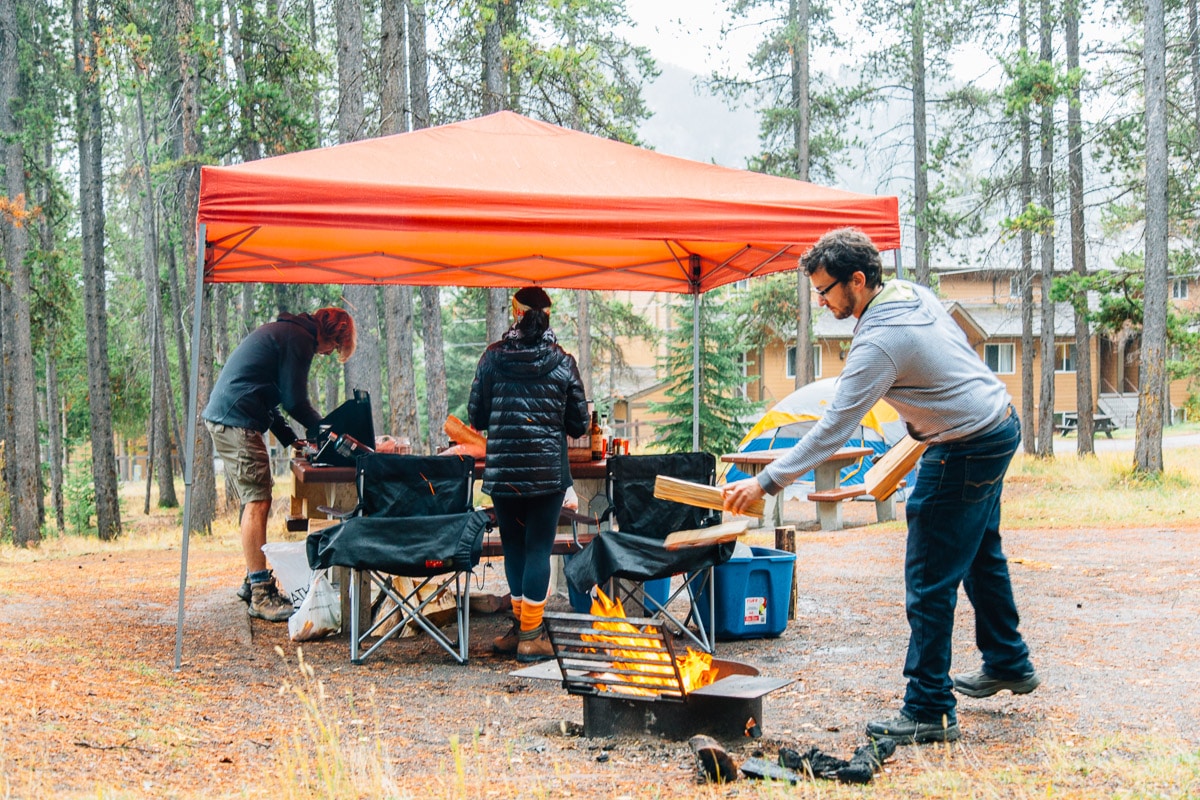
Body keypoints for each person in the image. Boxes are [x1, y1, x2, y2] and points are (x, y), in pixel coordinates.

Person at [722, 228, 1037, 744]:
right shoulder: (911, 293)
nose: (822, 303)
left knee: (930, 575)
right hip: (996, 422)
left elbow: (832, 429)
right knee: (980, 550)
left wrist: (767, 482)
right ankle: (1007, 660)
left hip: (964, 445)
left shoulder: (879, 340)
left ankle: (930, 708)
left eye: (826, 291)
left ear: (859, 280)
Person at [203, 307, 357, 622]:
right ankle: (260, 594)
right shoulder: (299, 339)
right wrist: (328, 433)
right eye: (333, 349)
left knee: (255, 500)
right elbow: (295, 401)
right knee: (258, 501)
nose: (327, 354)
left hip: (234, 415)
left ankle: (252, 580)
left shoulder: (289, 333)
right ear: (331, 335)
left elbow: (270, 397)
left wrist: (291, 439)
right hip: (236, 419)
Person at [468, 287, 589, 662]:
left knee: (515, 547)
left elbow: (476, 416)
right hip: (547, 472)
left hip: (504, 471)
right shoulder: (563, 362)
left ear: (515, 314)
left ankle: (522, 629)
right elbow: (580, 423)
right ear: (547, 317)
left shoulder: (492, 358)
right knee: (538, 547)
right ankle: (530, 636)